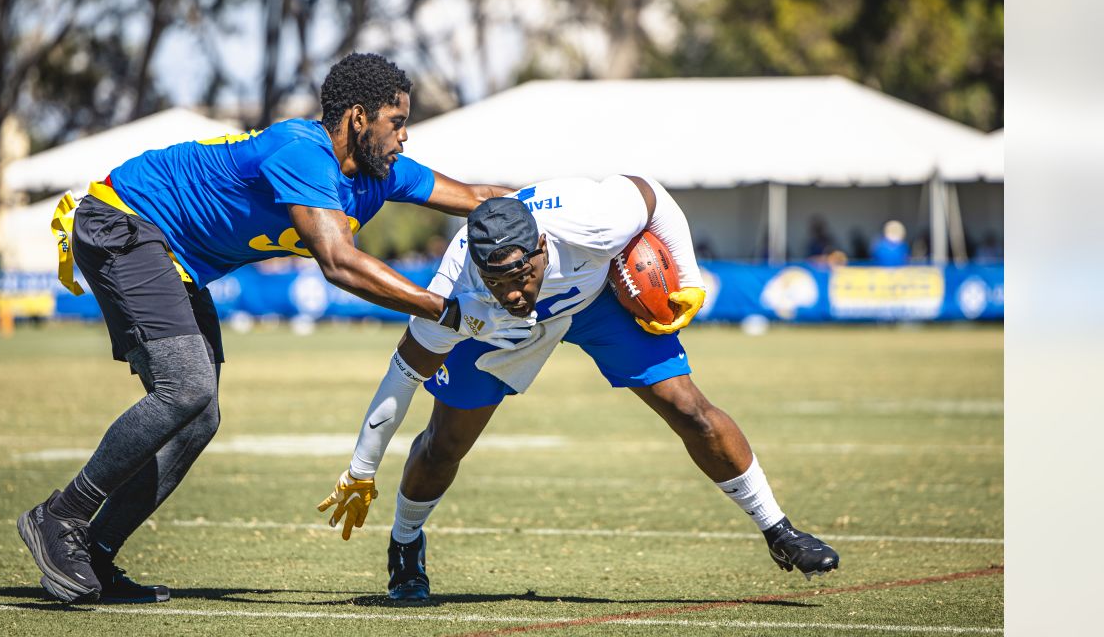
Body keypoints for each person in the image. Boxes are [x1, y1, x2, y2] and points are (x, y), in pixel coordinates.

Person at [18, 53, 535, 604]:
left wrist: (551, 211)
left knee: (199, 417)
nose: (405, 137)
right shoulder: (302, 151)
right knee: (186, 389)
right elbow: (338, 263)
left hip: (175, 256)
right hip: (123, 219)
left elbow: (481, 199)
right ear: (358, 117)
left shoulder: (383, 175)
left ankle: (94, 553)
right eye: (397, 121)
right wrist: (447, 311)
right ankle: (60, 518)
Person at [317, 175, 840, 601]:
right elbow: (403, 373)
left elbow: (654, 196)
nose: (513, 291)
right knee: (446, 442)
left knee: (689, 409)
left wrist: (689, 276)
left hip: (592, 301)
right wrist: (361, 470)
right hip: (498, 335)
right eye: (497, 282)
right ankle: (405, 544)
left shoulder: (591, 218)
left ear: (542, 246)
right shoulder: (457, 289)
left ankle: (779, 530)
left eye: (520, 275)